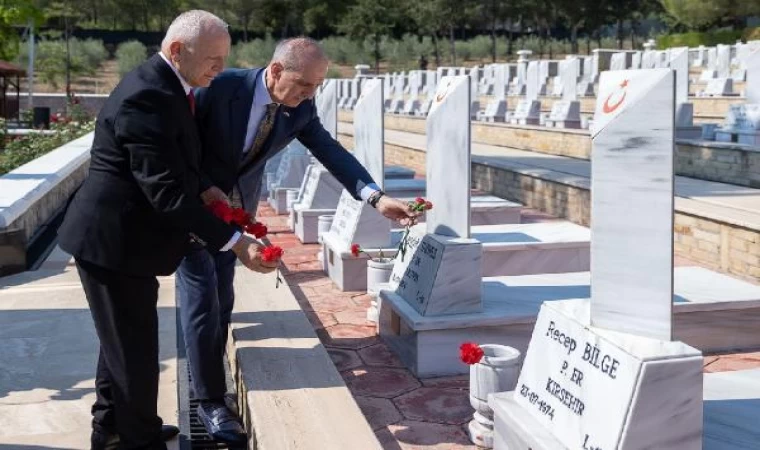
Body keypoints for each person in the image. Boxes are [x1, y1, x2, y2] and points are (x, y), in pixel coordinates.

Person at [179, 37, 419, 444]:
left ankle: (211, 377)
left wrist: (375, 198)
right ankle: (210, 401)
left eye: (317, 86)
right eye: (305, 84)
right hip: (193, 209)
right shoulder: (220, 88)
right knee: (201, 299)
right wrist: (202, 188)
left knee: (222, 299)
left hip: (236, 214)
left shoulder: (300, 109)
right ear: (275, 71)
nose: (310, 94)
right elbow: (178, 145)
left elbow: (330, 152)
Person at [57, 10, 278, 450]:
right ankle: (138, 440)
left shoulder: (170, 88)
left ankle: (111, 428)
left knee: (122, 344)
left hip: (128, 243)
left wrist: (207, 188)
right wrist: (236, 243)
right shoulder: (148, 96)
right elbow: (165, 192)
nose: (220, 68)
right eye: (213, 59)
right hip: (113, 244)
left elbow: (178, 161)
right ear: (178, 50)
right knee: (134, 353)